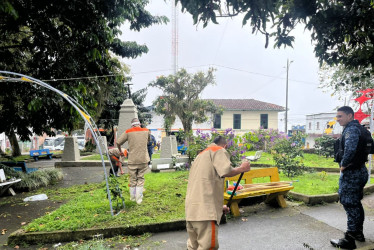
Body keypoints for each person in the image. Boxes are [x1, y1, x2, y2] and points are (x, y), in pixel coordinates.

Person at [185, 136, 251, 250]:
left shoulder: (200, 156)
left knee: (193, 246)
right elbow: (226, 171)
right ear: (224, 146)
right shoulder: (218, 150)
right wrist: (242, 168)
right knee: (208, 246)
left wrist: (219, 207)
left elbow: (204, 184)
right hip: (205, 214)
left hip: (192, 211)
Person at [330, 106, 369, 249]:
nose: (338, 119)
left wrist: (344, 165)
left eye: (340, 116)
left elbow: (350, 149)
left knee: (349, 203)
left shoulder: (352, 130)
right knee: (355, 203)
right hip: (360, 171)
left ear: (350, 116)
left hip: (352, 173)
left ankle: (349, 240)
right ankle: (358, 233)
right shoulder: (358, 128)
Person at [117, 118, 150, 204]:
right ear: (139, 124)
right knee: (140, 178)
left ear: (132, 125)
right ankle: (139, 199)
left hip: (132, 159)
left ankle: (132, 198)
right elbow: (147, 141)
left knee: (132, 178)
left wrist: (120, 151)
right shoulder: (146, 131)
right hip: (143, 159)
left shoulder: (128, 132)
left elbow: (118, 142)